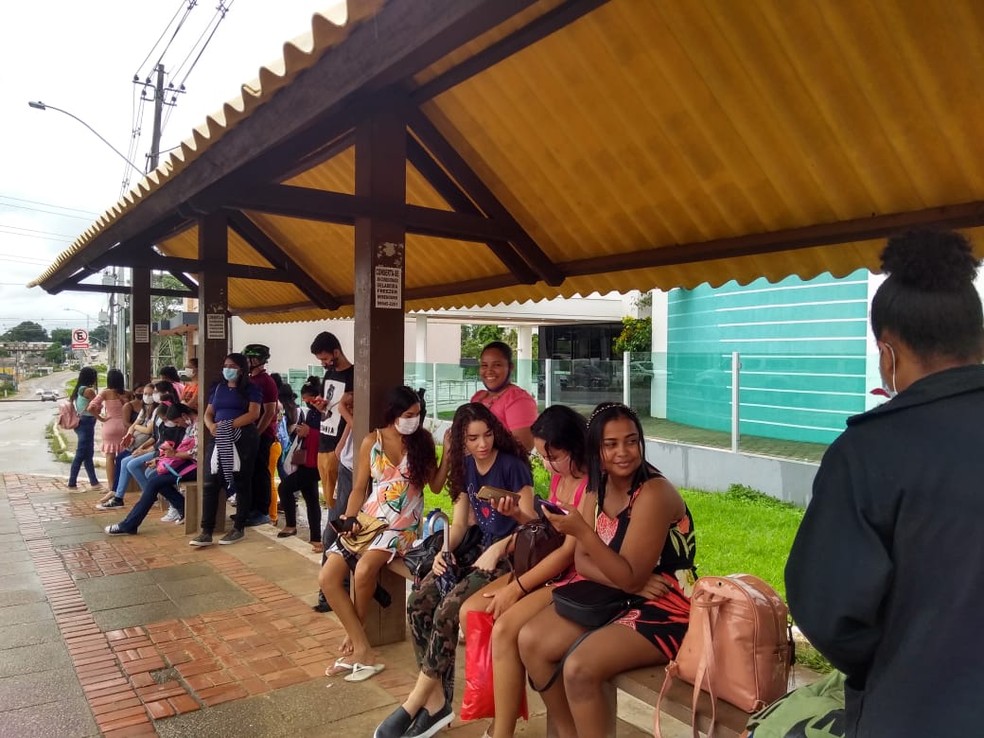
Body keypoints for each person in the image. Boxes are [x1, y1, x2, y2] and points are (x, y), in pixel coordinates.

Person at [784, 229, 984, 738]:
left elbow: (829, 613)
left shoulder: (869, 452)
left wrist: (905, 657)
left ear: (887, 352)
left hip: (915, 712)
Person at [517, 402, 696, 738]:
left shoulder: (653, 492)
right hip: (622, 591)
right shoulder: (599, 485)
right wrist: (628, 582)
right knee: (530, 641)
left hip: (666, 605)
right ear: (596, 448)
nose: (623, 452)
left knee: (580, 668)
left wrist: (586, 534)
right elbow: (585, 563)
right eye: (610, 444)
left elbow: (624, 571)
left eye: (631, 441)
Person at [373, 402, 535, 738]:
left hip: (508, 555)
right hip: (474, 549)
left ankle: (415, 702)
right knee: (419, 602)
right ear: (461, 442)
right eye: (473, 438)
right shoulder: (465, 467)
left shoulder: (512, 466)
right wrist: (444, 550)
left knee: (449, 609)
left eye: (487, 435)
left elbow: (533, 524)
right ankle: (436, 703)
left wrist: (498, 547)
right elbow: (461, 523)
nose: (482, 444)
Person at [458, 404, 591, 738]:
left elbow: (566, 555)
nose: (545, 464)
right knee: (471, 611)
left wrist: (516, 588)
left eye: (551, 455)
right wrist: (516, 516)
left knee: (503, 627)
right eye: (543, 456)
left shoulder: (589, 487)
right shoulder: (561, 476)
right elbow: (542, 530)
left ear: (574, 446)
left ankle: (502, 730)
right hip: (542, 565)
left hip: (571, 576)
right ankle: (497, 714)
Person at [321, 386, 437, 681]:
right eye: (408, 414)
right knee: (327, 578)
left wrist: (447, 451)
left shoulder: (422, 442)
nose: (414, 419)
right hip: (370, 517)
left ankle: (358, 647)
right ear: (393, 413)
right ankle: (360, 645)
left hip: (404, 522)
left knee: (363, 571)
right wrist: (348, 519)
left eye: (417, 414)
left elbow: (435, 486)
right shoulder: (371, 441)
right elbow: (359, 488)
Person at [189, 353, 261, 547]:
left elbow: (254, 413)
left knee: (242, 482)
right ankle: (206, 531)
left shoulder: (251, 389)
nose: (228, 368)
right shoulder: (218, 388)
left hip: (242, 439)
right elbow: (208, 413)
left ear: (242, 369)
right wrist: (212, 426)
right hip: (218, 437)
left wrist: (229, 425)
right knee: (210, 482)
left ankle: (238, 528)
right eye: (226, 365)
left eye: (233, 366)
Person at [103, 402, 198, 535]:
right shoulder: (190, 425)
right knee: (154, 477)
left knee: (154, 482)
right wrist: (163, 458)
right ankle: (183, 507)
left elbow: (196, 452)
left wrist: (174, 455)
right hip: (186, 463)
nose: (177, 425)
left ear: (183, 416)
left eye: (177, 422)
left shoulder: (198, 425)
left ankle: (130, 524)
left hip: (197, 466)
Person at [310, 331, 355, 513]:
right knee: (329, 498)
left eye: (325, 358)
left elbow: (352, 414)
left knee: (339, 500)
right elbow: (327, 404)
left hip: (340, 443)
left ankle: (335, 536)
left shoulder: (353, 375)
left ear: (336, 352)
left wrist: (342, 445)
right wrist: (320, 406)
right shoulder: (329, 375)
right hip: (324, 437)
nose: (323, 363)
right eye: (320, 360)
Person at [277, 379, 323, 547]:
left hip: (316, 461)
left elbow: (329, 436)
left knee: (285, 487)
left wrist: (310, 432)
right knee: (311, 498)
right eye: (304, 399)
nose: (307, 402)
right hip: (306, 459)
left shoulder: (325, 413)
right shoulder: (311, 412)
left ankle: (291, 525)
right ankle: (316, 538)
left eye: (309, 398)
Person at [470, 341, 538, 452]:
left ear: (510, 367)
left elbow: (524, 447)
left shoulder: (518, 399)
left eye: (497, 365)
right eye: (484, 365)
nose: (489, 371)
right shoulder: (478, 397)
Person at [242, 343, 279, 527]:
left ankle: (262, 511)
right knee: (249, 472)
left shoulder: (266, 381)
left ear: (257, 360)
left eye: (250, 359)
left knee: (260, 472)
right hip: (250, 433)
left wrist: (257, 433)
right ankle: (249, 509)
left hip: (262, 435)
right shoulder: (249, 380)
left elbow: (269, 412)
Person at [88, 368, 129, 492]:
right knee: (124, 456)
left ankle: (111, 487)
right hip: (125, 426)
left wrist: (100, 418)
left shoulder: (105, 393)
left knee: (110, 457)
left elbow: (91, 407)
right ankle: (122, 485)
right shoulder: (128, 393)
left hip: (109, 425)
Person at [67, 366, 101, 491]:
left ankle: (94, 482)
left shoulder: (78, 389)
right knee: (81, 453)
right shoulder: (88, 391)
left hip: (81, 423)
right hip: (86, 423)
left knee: (88, 454)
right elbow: (98, 405)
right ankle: (72, 483)